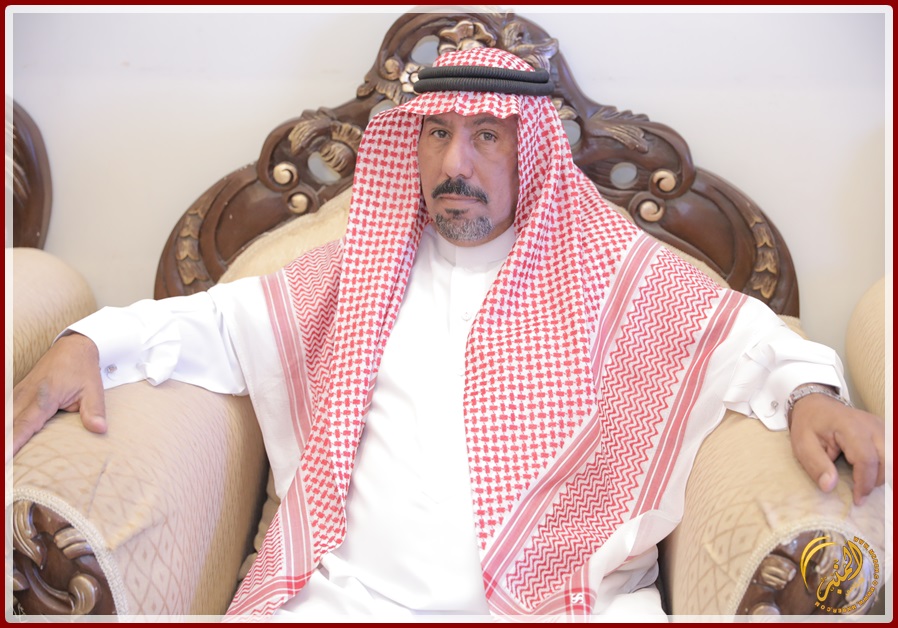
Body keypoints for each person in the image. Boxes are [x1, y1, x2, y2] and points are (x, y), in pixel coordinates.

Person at [11, 47, 885, 618]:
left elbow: (747, 339)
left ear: (531, 148)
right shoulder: (359, 271)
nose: (452, 165)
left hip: (560, 607)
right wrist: (90, 342)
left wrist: (811, 395)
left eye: (485, 137)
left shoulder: (615, 275)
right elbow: (214, 323)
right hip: (347, 605)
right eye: (436, 134)